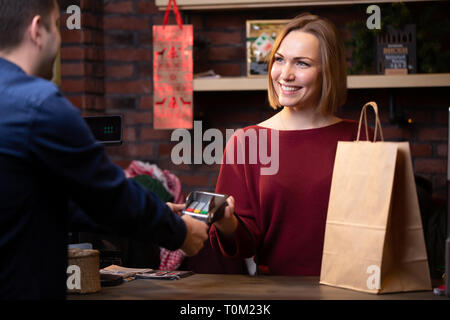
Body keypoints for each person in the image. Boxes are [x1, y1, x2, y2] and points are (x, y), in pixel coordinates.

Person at [0, 0, 208, 299]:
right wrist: (180, 232)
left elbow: (47, 202)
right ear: (37, 31)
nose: (59, 39)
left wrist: (160, 211)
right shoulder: (39, 104)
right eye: (57, 26)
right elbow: (108, 194)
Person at [210, 13, 372, 276]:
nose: (285, 75)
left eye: (302, 64)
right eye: (279, 60)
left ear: (328, 71)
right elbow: (242, 245)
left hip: (352, 287)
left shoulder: (362, 136)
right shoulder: (247, 142)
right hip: (277, 290)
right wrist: (226, 223)